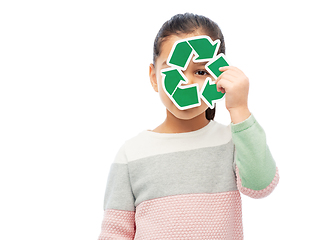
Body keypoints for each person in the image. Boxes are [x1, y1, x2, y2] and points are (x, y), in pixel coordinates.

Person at [98, 12, 279, 239]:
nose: (187, 83)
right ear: (154, 77)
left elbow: (261, 185)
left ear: (219, 76)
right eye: (175, 69)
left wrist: (239, 109)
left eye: (201, 72)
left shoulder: (233, 141)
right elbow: (115, 232)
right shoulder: (131, 153)